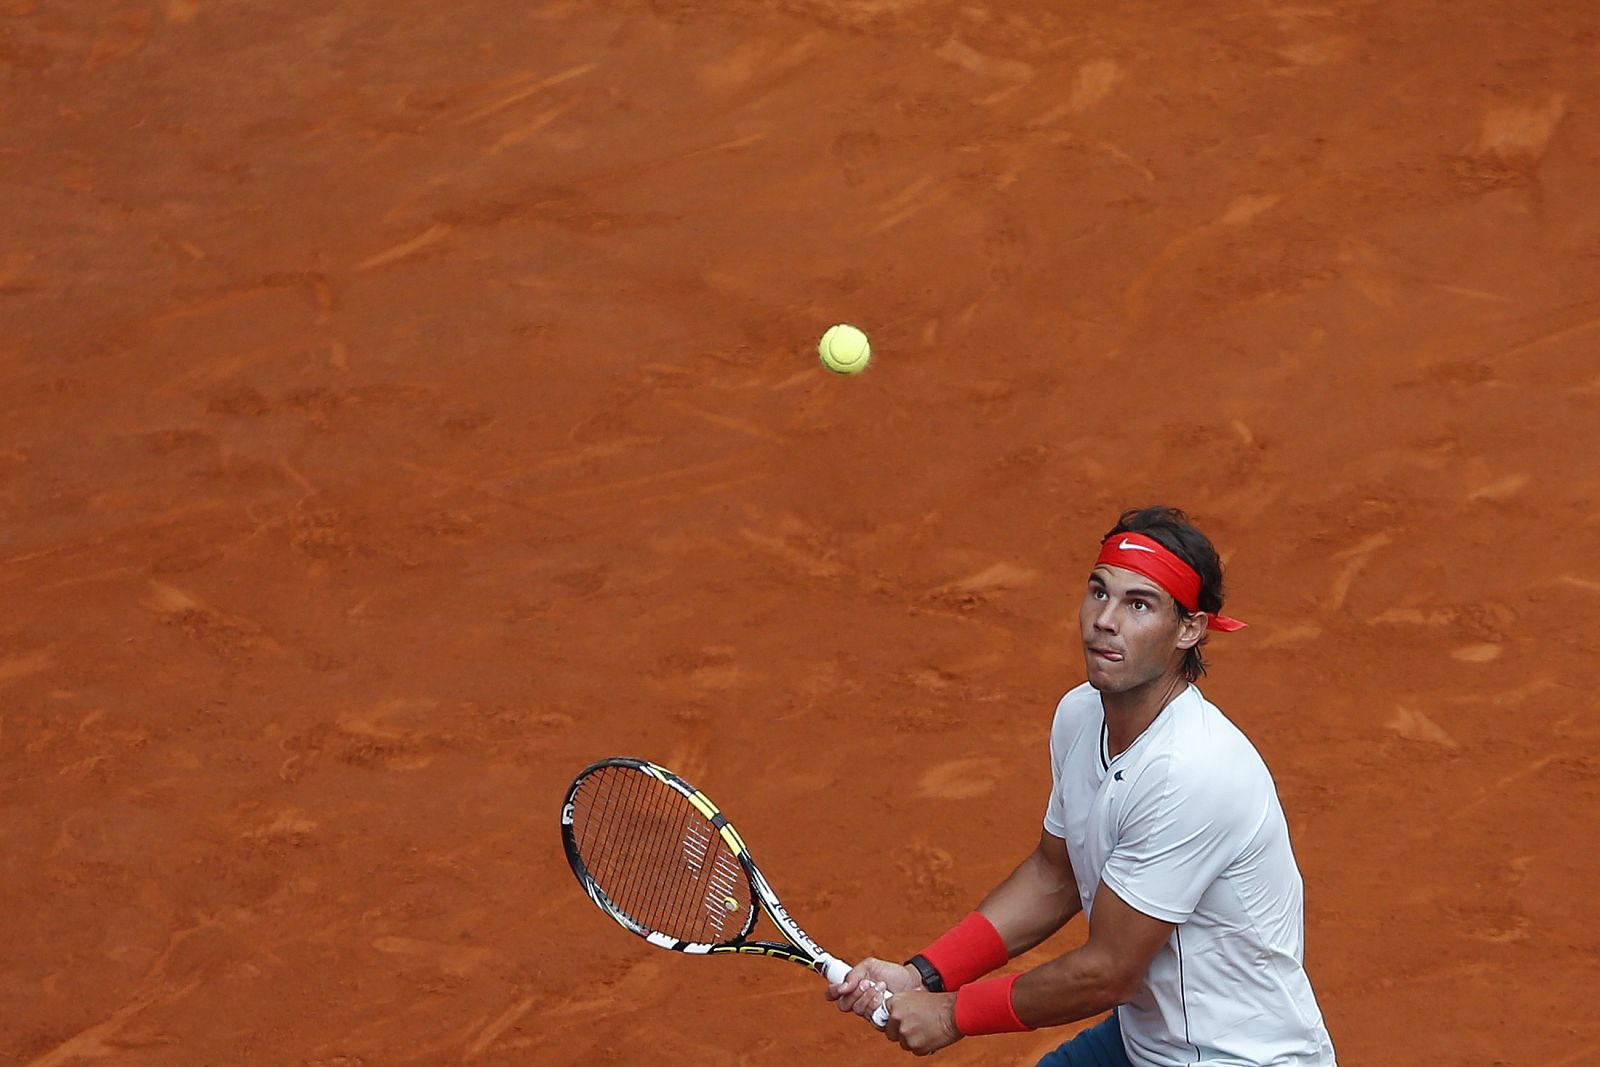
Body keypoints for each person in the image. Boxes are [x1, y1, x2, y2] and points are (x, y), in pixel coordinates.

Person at [828, 506, 1336, 1065]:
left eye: (1138, 604)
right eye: (1100, 593)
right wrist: (922, 973)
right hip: (1146, 1042)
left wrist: (953, 1012)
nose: (1105, 620)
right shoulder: (1080, 715)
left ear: (1189, 629)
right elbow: (1055, 872)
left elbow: (1107, 973)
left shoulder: (1191, 771)